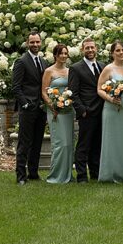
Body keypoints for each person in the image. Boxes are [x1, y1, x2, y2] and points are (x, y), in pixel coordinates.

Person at [96, 40, 123, 183]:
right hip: (112, 111)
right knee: (112, 141)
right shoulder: (108, 69)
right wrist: (111, 99)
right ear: (112, 53)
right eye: (118, 50)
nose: (121, 53)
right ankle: (111, 174)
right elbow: (99, 89)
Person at [12, 31, 46, 184]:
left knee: (37, 141)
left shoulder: (43, 62)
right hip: (27, 108)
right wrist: (25, 103)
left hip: (41, 108)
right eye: (32, 42)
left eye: (37, 42)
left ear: (41, 43)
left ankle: (33, 173)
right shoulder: (21, 61)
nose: (35, 45)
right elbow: (16, 87)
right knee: (24, 142)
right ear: (27, 43)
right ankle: (20, 176)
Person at [68, 37, 104, 183]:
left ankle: (95, 173)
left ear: (96, 49)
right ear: (83, 50)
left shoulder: (102, 66)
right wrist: (82, 110)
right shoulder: (76, 68)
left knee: (97, 144)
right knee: (84, 145)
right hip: (87, 112)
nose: (90, 50)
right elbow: (73, 92)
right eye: (87, 48)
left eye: (92, 47)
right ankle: (82, 175)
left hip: (102, 111)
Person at [41, 43, 75, 184]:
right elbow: (44, 91)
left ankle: (67, 175)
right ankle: (56, 175)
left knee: (69, 143)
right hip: (55, 111)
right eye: (60, 53)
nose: (63, 56)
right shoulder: (49, 71)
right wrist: (52, 105)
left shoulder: (70, 71)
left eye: (65, 53)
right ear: (55, 55)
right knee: (60, 143)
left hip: (68, 110)